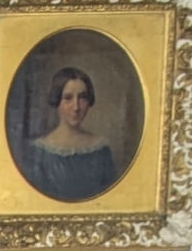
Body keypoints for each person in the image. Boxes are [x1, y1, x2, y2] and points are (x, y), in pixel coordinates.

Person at [16, 65, 119, 203]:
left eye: (82, 97)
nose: (76, 107)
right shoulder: (38, 153)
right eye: (68, 98)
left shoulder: (101, 150)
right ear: (56, 100)